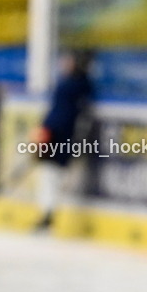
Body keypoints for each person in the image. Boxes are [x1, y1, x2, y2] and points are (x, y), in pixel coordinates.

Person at [34, 49, 94, 229]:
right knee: (48, 173)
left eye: (69, 60)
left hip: (62, 134)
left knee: (55, 174)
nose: (64, 63)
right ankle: (47, 212)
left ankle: (49, 213)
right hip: (52, 132)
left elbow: (73, 114)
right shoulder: (68, 82)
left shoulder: (80, 84)